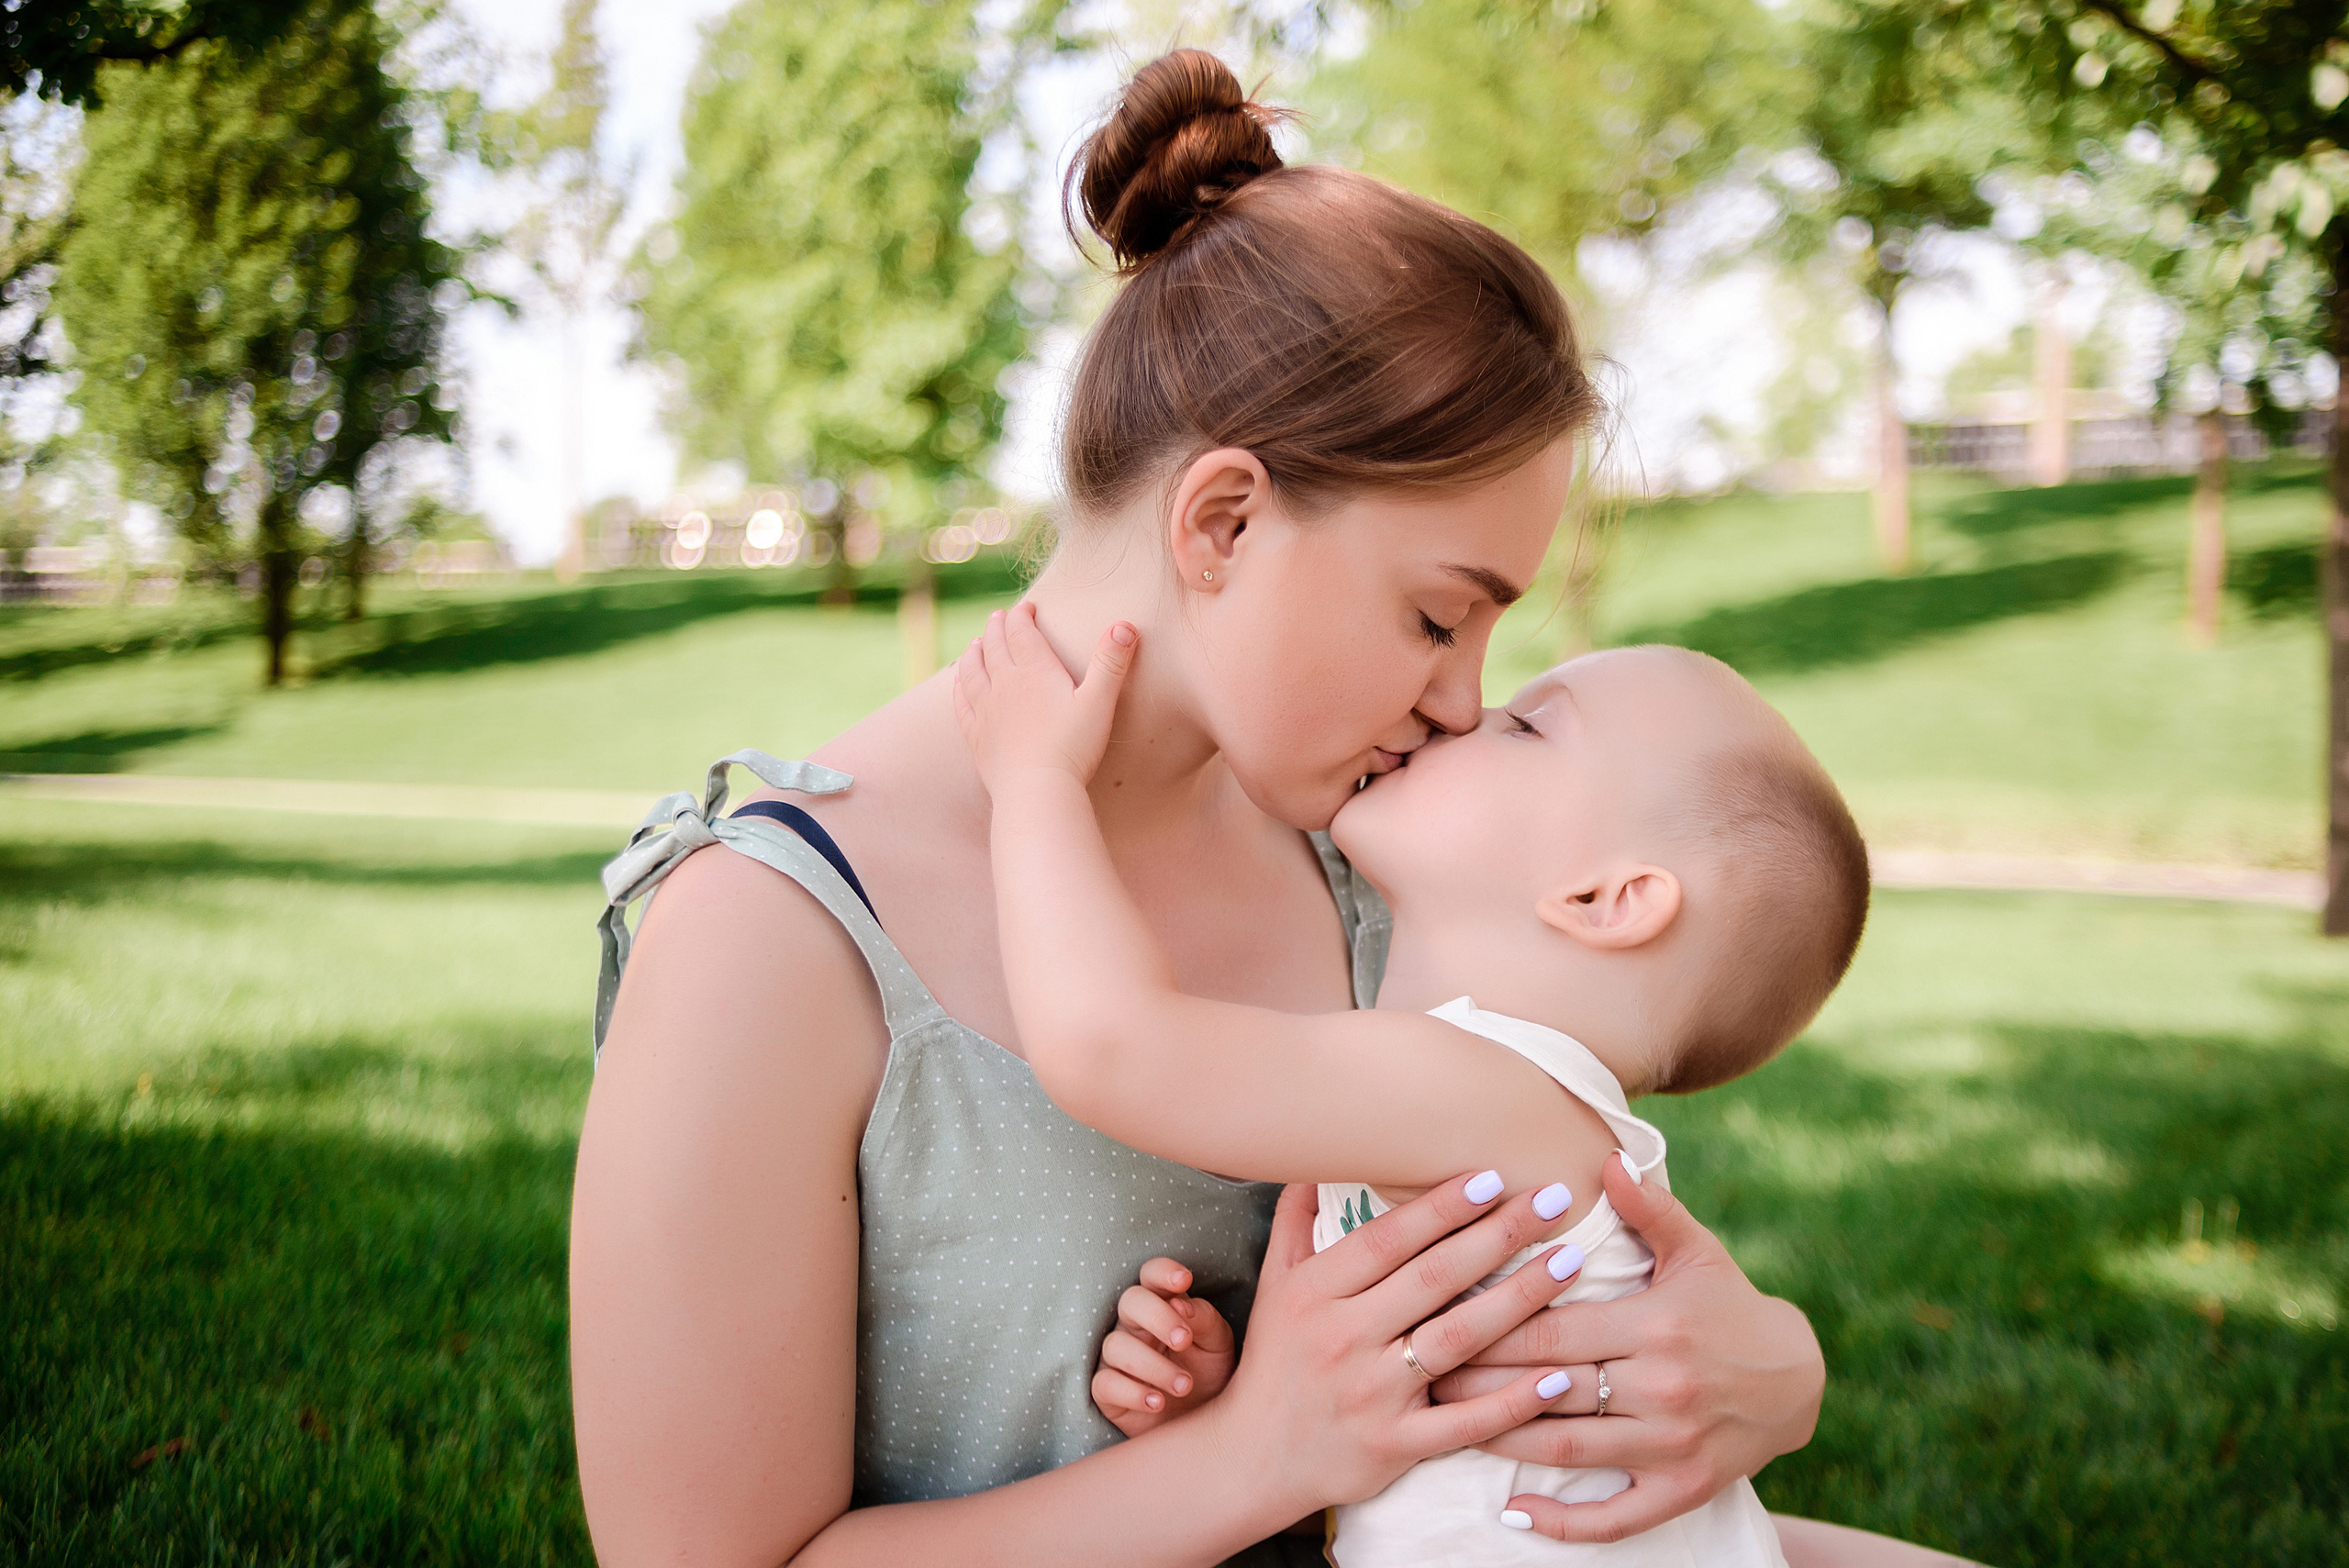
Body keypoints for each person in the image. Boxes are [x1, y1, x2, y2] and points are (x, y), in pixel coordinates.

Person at [571, 47, 1950, 1568]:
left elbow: (1534, 1311)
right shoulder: (767, 937)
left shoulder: (1381, 865)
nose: (1464, 704)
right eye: (1438, 618)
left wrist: (1769, 1363)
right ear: (1223, 519)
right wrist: (1252, 1453)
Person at [950, 613, 1868, 1564]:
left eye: (1524, 726)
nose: (1462, 714)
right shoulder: (1494, 1104)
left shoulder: (1488, 1088)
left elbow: (1116, 1049)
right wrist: (1235, 1397)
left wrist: (1036, 780)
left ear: (1603, 898)